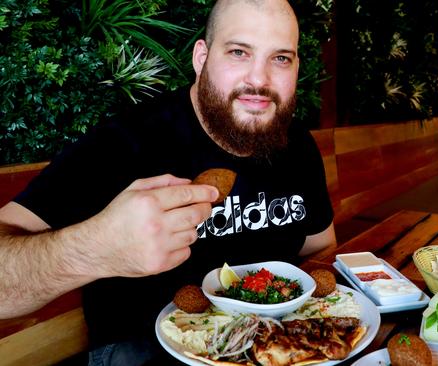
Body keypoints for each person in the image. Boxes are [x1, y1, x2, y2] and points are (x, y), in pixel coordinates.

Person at [0, 0, 336, 364]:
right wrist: (92, 248)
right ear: (201, 57)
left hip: (276, 346)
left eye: (280, 58)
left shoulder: (297, 144)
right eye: (239, 52)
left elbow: (320, 246)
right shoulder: (126, 142)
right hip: (142, 351)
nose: (259, 79)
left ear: (296, 67)